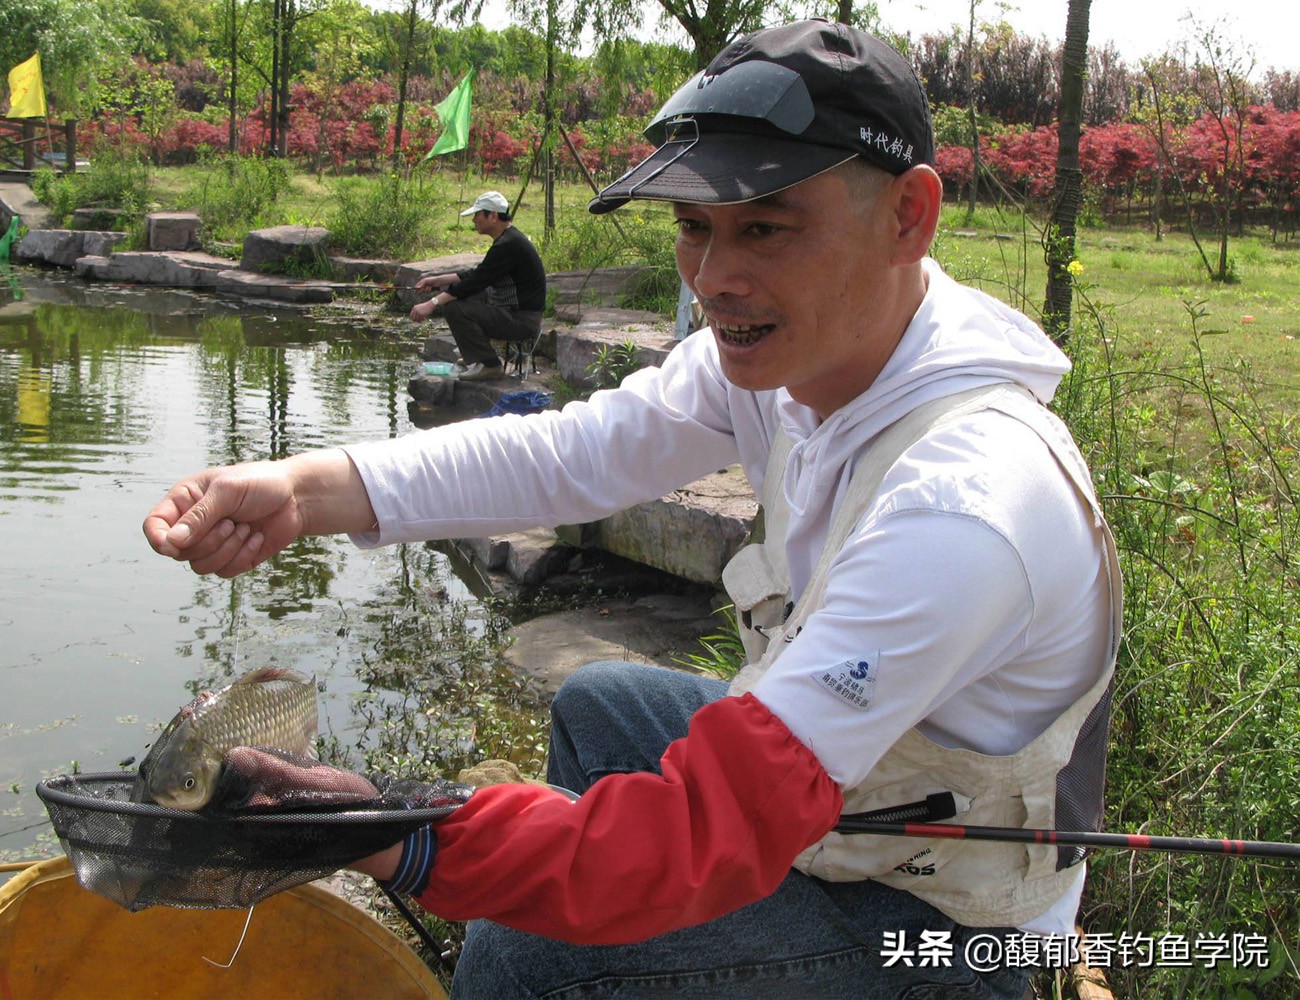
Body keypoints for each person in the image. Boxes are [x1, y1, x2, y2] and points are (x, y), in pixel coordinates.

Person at [143, 19, 1120, 1000]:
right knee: (600, 705)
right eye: (695, 226)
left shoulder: (963, 506)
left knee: (527, 955)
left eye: (765, 227)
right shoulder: (795, 362)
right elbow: (576, 452)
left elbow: (696, 830)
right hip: (850, 816)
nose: (714, 279)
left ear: (909, 216)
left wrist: (391, 829)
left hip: (955, 930)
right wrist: (302, 490)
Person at [408, 190, 547, 380]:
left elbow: (474, 282)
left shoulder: (508, 245)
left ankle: (489, 365)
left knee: (454, 308)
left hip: (522, 321)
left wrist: (432, 303)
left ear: (493, 215)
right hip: (513, 312)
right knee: (464, 296)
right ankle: (477, 357)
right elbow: (478, 274)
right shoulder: (509, 239)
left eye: (477, 215)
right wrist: (437, 281)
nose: (474, 220)